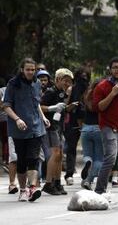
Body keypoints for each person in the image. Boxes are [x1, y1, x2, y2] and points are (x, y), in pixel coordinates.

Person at [3, 58, 50, 202]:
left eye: (33, 69)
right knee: (22, 160)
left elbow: (36, 103)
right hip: (19, 129)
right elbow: (6, 106)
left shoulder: (37, 83)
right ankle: (23, 189)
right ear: (22, 70)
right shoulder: (13, 84)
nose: (30, 72)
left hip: (36, 127)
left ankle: (33, 187)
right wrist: (17, 119)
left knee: (33, 158)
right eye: (28, 69)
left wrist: (43, 118)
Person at [93, 57, 118, 198]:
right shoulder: (102, 86)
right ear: (110, 69)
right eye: (115, 67)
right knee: (110, 157)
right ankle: (99, 190)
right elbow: (99, 107)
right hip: (108, 126)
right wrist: (113, 93)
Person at [41, 68, 76, 196]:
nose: (67, 84)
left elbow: (62, 109)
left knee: (60, 155)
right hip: (51, 126)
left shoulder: (63, 93)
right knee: (55, 153)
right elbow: (40, 107)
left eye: (69, 81)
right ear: (58, 80)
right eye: (65, 81)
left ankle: (57, 181)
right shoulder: (50, 92)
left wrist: (68, 107)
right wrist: (52, 108)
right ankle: (48, 183)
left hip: (59, 126)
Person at [80, 79, 103, 190]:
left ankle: (87, 162)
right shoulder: (102, 98)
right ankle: (88, 181)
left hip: (86, 129)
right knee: (99, 159)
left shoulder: (87, 97)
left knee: (87, 155)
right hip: (99, 129)